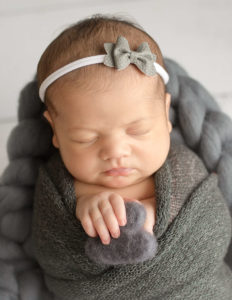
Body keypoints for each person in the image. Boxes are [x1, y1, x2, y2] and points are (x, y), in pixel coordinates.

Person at [31, 13, 232, 300]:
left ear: (165, 114)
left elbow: (214, 227)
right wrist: (84, 213)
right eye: (86, 138)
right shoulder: (54, 186)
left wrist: (152, 214)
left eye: (137, 131)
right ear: (55, 129)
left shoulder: (184, 169)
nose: (115, 152)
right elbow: (50, 250)